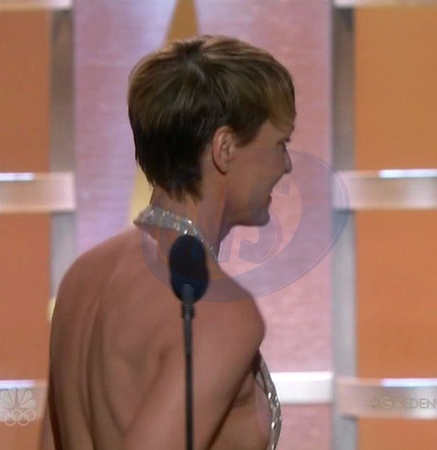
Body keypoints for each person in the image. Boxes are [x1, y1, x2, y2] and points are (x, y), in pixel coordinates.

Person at [40, 35, 295, 449]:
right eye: (280, 144)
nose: (286, 165)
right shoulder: (216, 309)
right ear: (225, 148)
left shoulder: (83, 277)